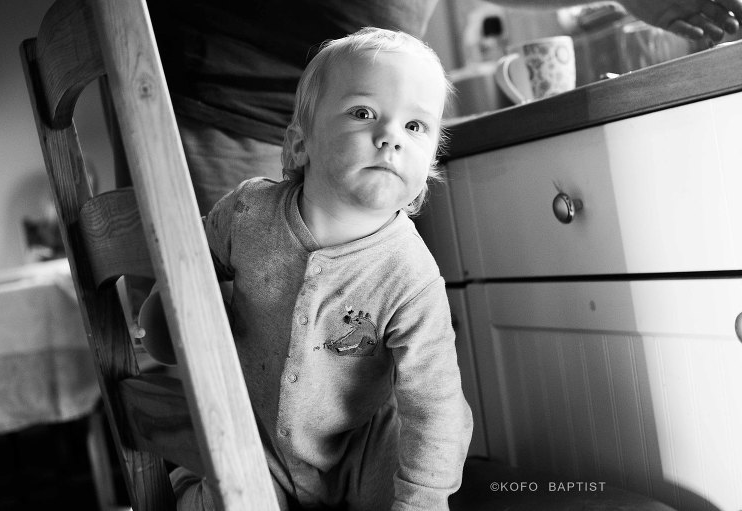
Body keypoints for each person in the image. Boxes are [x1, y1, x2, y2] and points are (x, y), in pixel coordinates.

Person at [142, 27, 473, 510]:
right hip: (257, 446)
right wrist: (165, 317)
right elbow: (175, 300)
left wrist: (420, 500)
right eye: (363, 113)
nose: (390, 138)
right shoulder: (247, 212)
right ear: (300, 145)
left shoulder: (412, 276)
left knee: (408, 453)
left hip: (358, 454)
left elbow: (436, 408)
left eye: (415, 127)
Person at [117, 0, 741, 215]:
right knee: (242, 366)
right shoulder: (245, 212)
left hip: (291, 124)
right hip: (228, 114)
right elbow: (169, 336)